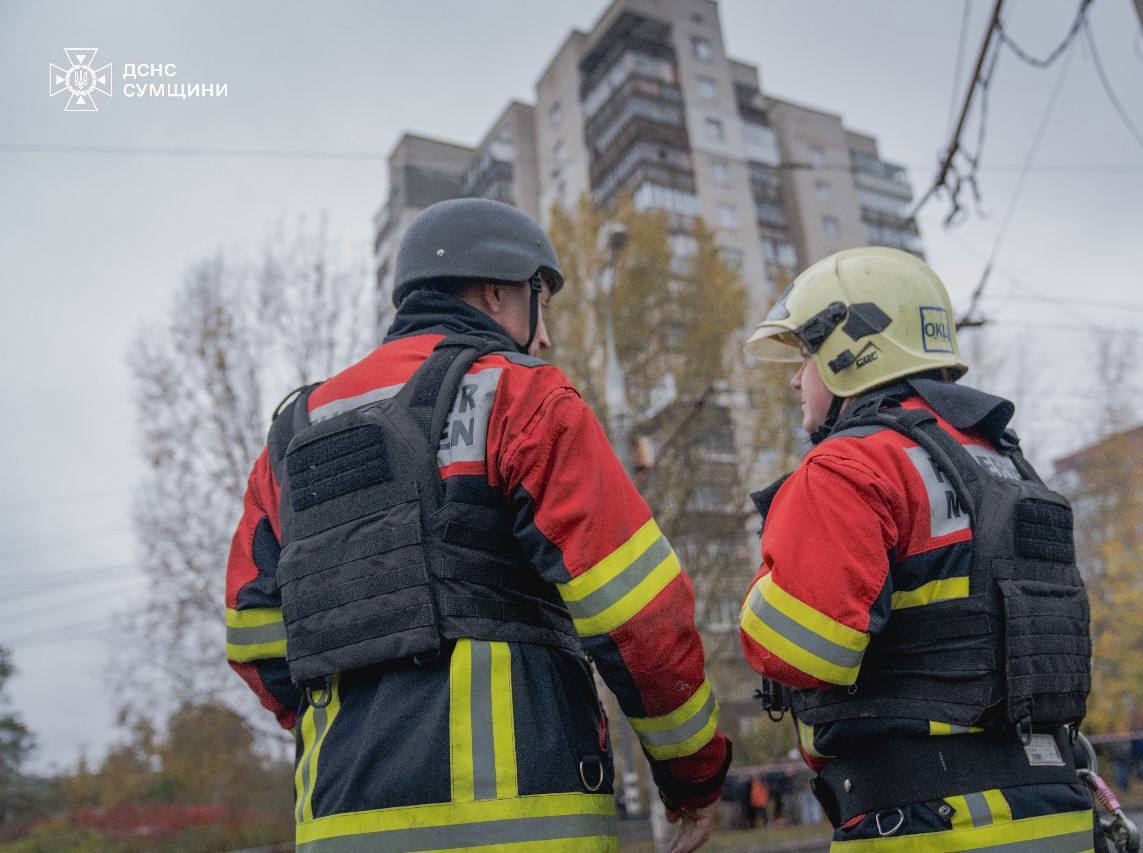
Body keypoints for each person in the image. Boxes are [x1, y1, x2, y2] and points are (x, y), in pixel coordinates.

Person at [224, 198, 731, 852]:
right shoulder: (523, 397)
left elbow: (254, 638)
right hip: (526, 823)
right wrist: (693, 775)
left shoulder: (289, 438)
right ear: (497, 291)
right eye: (539, 301)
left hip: (338, 824)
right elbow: (640, 614)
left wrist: (356, 716)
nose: (543, 335)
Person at [738, 247, 1095, 850]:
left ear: (853, 350)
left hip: (923, 819)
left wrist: (757, 592)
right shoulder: (1003, 462)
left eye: (806, 356)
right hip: (1056, 809)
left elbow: (799, 648)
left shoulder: (851, 464)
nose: (797, 378)